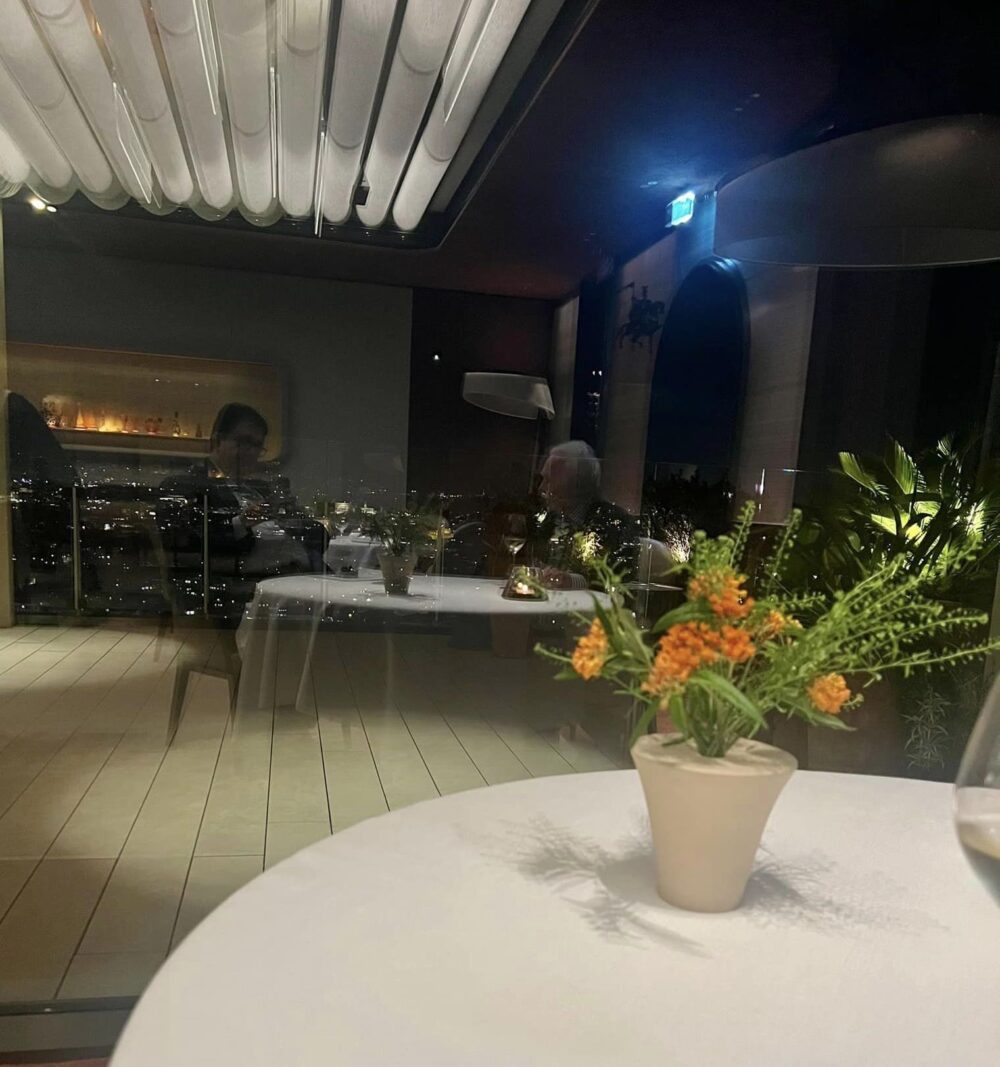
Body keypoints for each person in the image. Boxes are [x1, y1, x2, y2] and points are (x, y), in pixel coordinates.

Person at [157, 403, 322, 620]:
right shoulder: (185, 485)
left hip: (296, 581)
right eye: (243, 442)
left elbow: (318, 536)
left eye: (257, 445)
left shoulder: (261, 488)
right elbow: (187, 547)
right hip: (240, 590)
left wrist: (296, 520)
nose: (251, 452)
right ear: (217, 441)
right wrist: (242, 522)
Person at [535, 440, 641, 588]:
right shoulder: (550, 520)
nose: (541, 488)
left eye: (549, 481)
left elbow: (620, 577)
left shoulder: (614, 523)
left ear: (574, 484)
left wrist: (572, 581)